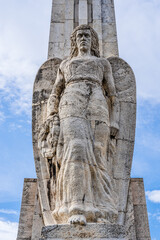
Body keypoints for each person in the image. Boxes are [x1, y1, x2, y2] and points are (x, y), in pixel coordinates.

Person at [43, 24, 119, 225]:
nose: (83, 38)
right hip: (71, 105)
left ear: (93, 40)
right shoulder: (66, 65)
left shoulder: (102, 63)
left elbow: (112, 94)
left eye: (87, 35)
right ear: (74, 41)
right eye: (79, 36)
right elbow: (55, 93)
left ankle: (102, 209)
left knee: (98, 154)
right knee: (75, 151)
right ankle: (75, 207)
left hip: (97, 105)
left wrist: (115, 121)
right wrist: (52, 116)